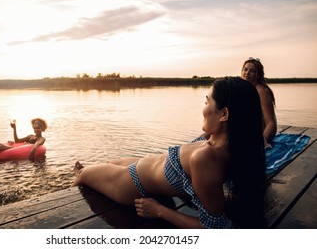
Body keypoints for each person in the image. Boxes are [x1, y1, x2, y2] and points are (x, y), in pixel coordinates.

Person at [72, 77, 266, 228]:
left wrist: (159, 211)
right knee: (111, 161)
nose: (203, 108)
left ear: (224, 114)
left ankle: (78, 178)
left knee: (83, 176)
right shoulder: (218, 139)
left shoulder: (206, 158)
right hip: (141, 166)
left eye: (207, 102)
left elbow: (215, 228)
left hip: (131, 184)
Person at [241, 57, 277, 146]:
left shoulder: (262, 91)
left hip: (258, 136)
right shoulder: (242, 89)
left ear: (258, 75)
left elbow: (271, 123)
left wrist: (262, 140)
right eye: (245, 69)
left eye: (252, 71)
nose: (247, 73)